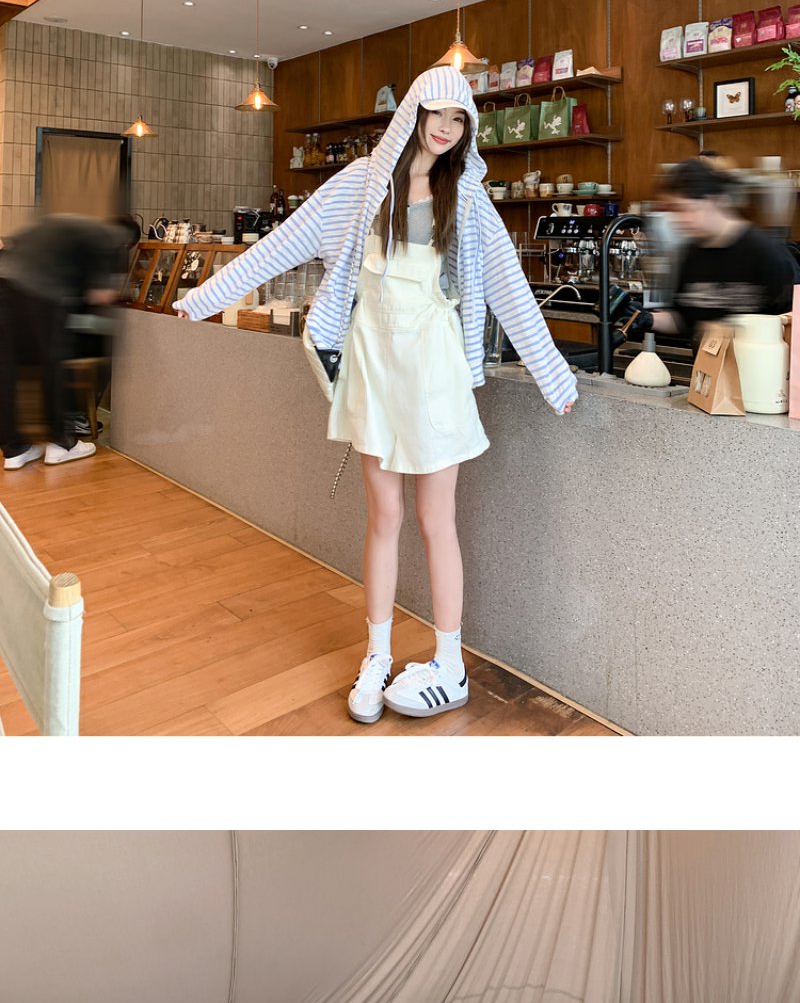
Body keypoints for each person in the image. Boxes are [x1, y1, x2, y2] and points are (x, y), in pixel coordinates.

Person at [175, 66, 577, 723]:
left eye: (459, 120)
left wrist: (554, 376)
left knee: (436, 518)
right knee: (383, 517)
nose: (446, 129)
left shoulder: (467, 199)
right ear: (413, 112)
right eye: (437, 114)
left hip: (436, 371)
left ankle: (449, 661)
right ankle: (377, 655)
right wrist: (203, 298)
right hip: (372, 367)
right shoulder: (360, 186)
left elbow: (510, 289)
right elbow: (280, 246)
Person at [0, 213, 139, 470]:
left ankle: (14, 450)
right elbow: (100, 295)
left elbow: (11, 245)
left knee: (6, 369)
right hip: (41, 292)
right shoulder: (107, 240)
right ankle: (62, 444)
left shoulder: (65, 223)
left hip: (5, 285)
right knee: (53, 364)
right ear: (126, 241)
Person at [625, 158, 796, 344]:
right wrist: (647, 318)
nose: (679, 219)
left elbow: (793, 322)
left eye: (686, 209)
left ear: (715, 200)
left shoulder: (766, 252)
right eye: (674, 211)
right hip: (705, 362)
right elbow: (683, 320)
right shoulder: (690, 254)